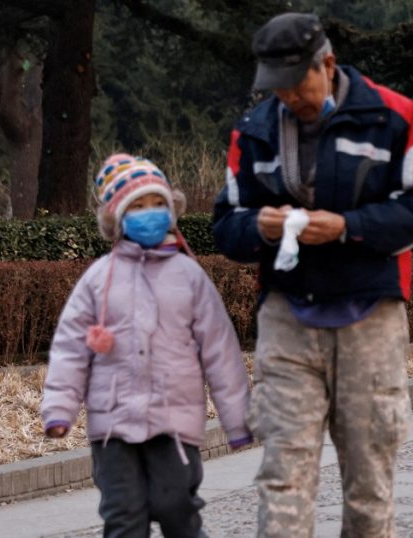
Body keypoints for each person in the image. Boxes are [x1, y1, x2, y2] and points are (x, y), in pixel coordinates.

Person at [211, 13, 413, 536]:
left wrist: (347, 227)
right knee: (283, 476)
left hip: (371, 318)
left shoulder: (392, 115)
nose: (288, 97)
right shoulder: (252, 131)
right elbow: (225, 225)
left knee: (369, 479)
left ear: (328, 64)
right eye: (277, 88)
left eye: (297, 84)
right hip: (287, 316)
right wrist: (261, 227)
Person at [42, 154, 252, 537]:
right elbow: (71, 348)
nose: (149, 213)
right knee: (123, 516)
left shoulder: (190, 276)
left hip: (174, 423)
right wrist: (59, 408)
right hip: (113, 426)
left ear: (172, 210)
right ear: (117, 218)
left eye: (158, 204)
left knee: (177, 508)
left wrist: (236, 420)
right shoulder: (98, 280)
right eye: (137, 206)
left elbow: (220, 351)